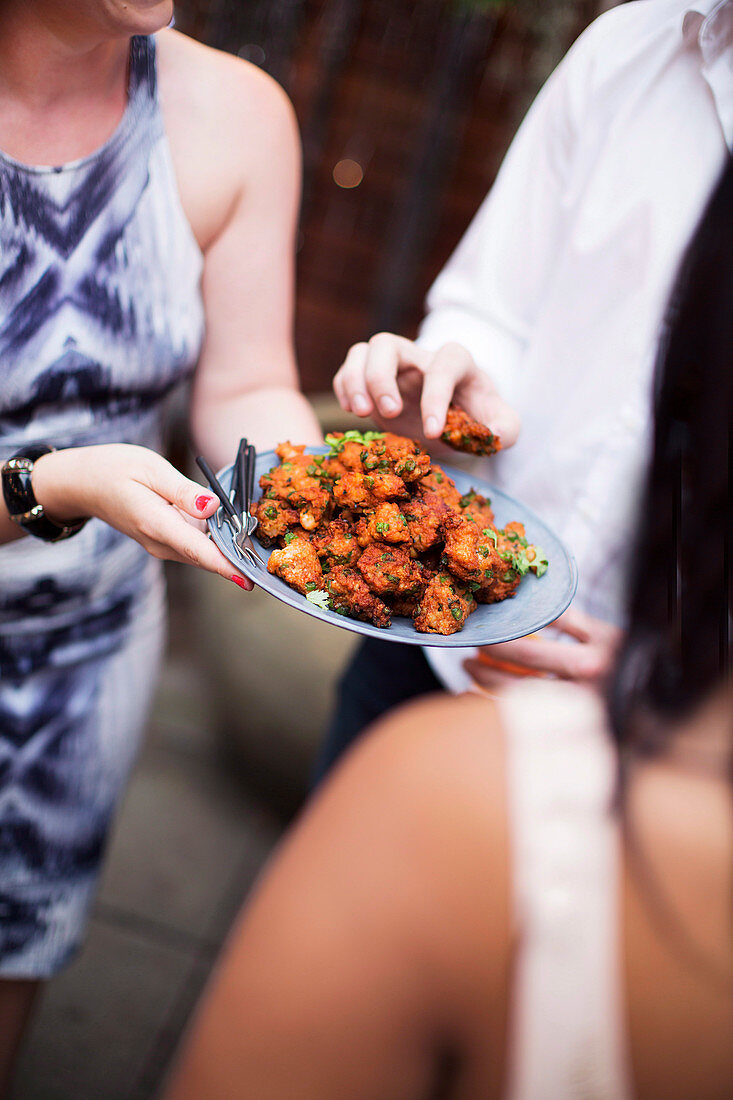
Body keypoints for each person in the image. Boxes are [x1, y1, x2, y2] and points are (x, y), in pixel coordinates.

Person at [163, 155, 732, 1099]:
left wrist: (678, 665)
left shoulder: (427, 798)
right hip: (431, 659)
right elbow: (489, 299)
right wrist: (452, 367)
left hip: (615, 717)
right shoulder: (630, 44)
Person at [0, 0, 321, 1087]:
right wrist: (53, 484)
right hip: (59, 518)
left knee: (15, 944)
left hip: (82, 651)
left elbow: (244, 382)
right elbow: (62, 480)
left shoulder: (238, 115)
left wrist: (319, 504)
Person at [317, 0, 733, 775]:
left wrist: (700, 691)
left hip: (665, 756)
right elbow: (492, 304)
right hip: (429, 642)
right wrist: (447, 384)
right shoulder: (628, 49)